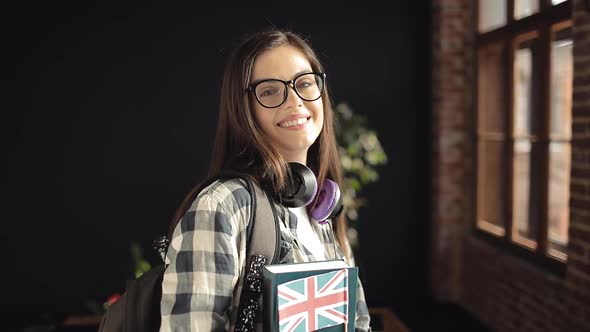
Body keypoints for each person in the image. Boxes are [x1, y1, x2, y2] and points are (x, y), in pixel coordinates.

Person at [159, 28, 371, 332]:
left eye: (305, 84)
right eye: (270, 90)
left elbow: (358, 324)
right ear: (244, 109)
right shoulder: (222, 208)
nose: (295, 101)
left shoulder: (323, 211)